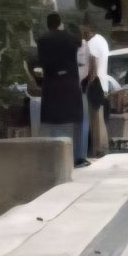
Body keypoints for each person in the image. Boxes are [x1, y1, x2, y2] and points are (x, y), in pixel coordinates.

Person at [36, 14, 89, 168]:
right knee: (74, 121)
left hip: (51, 86)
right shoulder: (71, 38)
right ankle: (77, 157)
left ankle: (50, 159)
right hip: (70, 85)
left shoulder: (42, 40)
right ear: (60, 23)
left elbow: (40, 62)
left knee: (51, 123)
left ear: (48, 24)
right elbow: (79, 49)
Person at [80, 22, 111, 159]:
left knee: (95, 119)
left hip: (95, 84)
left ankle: (98, 149)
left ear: (88, 30)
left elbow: (93, 63)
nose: (82, 36)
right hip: (102, 83)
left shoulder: (92, 43)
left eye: (83, 32)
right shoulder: (101, 40)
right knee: (99, 118)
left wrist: (88, 81)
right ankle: (101, 147)